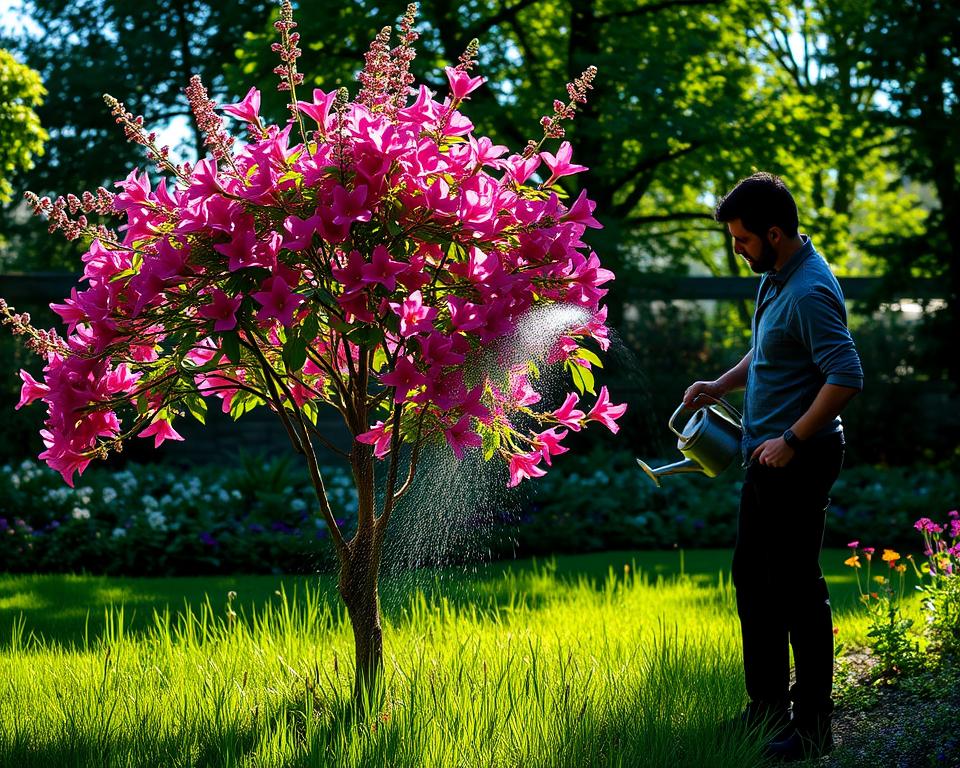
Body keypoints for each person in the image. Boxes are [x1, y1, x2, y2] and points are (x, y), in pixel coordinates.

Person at [684, 172, 863, 761]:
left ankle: (813, 728)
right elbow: (768, 348)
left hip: (799, 458)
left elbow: (846, 376)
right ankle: (766, 711)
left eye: (742, 240)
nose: (738, 250)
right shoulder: (778, 279)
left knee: (797, 591)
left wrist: (790, 438)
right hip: (764, 457)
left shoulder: (810, 289)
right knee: (753, 582)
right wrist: (720, 383)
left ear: (775, 232)